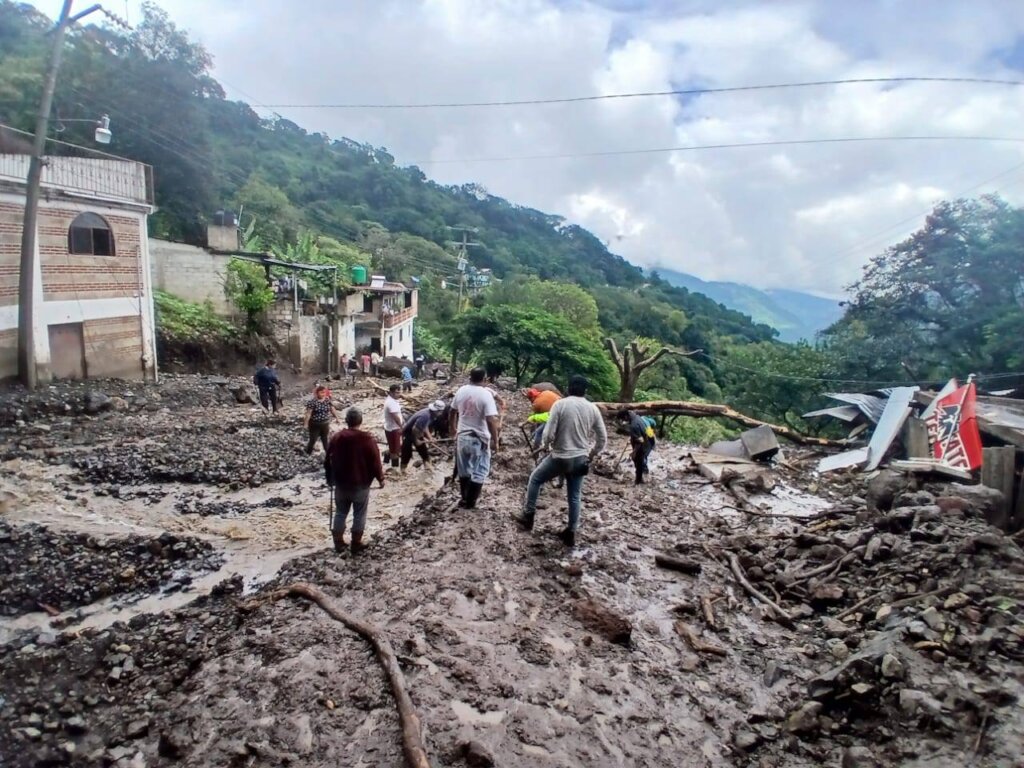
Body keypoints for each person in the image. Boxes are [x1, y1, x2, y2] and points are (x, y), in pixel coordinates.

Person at [513, 375, 607, 547]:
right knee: (574, 496)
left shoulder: (560, 404)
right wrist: (591, 455)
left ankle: (528, 516)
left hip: (561, 456)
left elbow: (548, 433)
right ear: (585, 390)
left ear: (568, 388)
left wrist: (547, 446)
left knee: (535, 479)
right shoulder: (593, 409)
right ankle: (570, 532)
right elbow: (602, 439)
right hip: (580, 458)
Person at [326, 408, 385, 555]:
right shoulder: (368, 439)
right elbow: (375, 462)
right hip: (361, 483)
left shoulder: (337, 437)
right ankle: (356, 544)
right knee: (359, 514)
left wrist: (329, 479)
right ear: (361, 421)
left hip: (341, 483)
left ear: (347, 421)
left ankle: (338, 542)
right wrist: (381, 479)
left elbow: (327, 460)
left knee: (340, 512)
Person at [450, 367, 500, 509]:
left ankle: (464, 498)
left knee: (464, 470)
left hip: (462, 436)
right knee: (480, 471)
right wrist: (495, 441)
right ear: (484, 379)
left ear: (470, 377)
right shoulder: (485, 395)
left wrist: (453, 429)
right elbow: (491, 420)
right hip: (480, 438)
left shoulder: (461, 391)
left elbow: (452, 411)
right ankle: (470, 502)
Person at [400, 399, 445, 472]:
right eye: (440, 412)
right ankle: (403, 470)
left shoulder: (431, 414)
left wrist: (430, 438)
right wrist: (417, 440)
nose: (441, 413)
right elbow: (415, 429)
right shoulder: (425, 415)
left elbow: (424, 426)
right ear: (436, 411)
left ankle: (428, 467)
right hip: (408, 432)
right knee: (406, 452)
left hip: (417, 431)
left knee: (423, 451)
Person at [619, 409, 656, 484]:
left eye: (623, 419)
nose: (623, 421)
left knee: (638, 459)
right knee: (641, 458)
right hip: (650, 438)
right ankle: (643, 476)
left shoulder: (634, 425)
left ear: (626, 416)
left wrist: (634, 452)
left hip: (645, 443)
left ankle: (639, 480)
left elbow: (640, 441)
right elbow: (649, 428)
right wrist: (633, 438)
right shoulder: (638, 417)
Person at [304, 385, 339, 455]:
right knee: (313, 439)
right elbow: (308, 413)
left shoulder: (327, 400)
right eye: (321, 392)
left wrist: (337, 418)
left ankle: (328, 454)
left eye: (324, 392)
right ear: (317, 393)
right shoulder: (312, 402)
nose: (323, 394)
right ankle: (308, 453)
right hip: (314, 424)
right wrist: (306, 424)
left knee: (325, 439)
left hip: (325, 424)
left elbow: (332, 409)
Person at [383, 384, 404, 469]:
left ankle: (385, 461)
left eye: (399, 392)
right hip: (393, 429)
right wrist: (402, 427)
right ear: (391, 393)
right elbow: (395, 417)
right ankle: (394, 469)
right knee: (395, 451)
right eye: (396, 393)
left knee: (394, 448)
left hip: (391, 427)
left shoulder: (393, 400)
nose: (398, 394)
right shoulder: (390, 403)